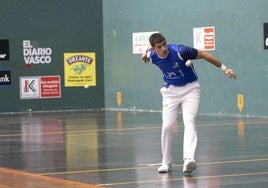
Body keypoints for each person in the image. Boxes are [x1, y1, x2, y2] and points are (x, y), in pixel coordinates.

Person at [141, 33, 236, 174]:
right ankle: (166, 163)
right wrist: (145, 54)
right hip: (170, 92)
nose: (163, 48)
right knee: (167, 126)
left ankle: (189, 159)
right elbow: (147, 54)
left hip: (190, 89)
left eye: (164, 44)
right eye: (159, 47)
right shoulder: (153, 55)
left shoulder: (180, 51)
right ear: (154, 49)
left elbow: (203, 54)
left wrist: (224, 68)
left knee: (189, 121)